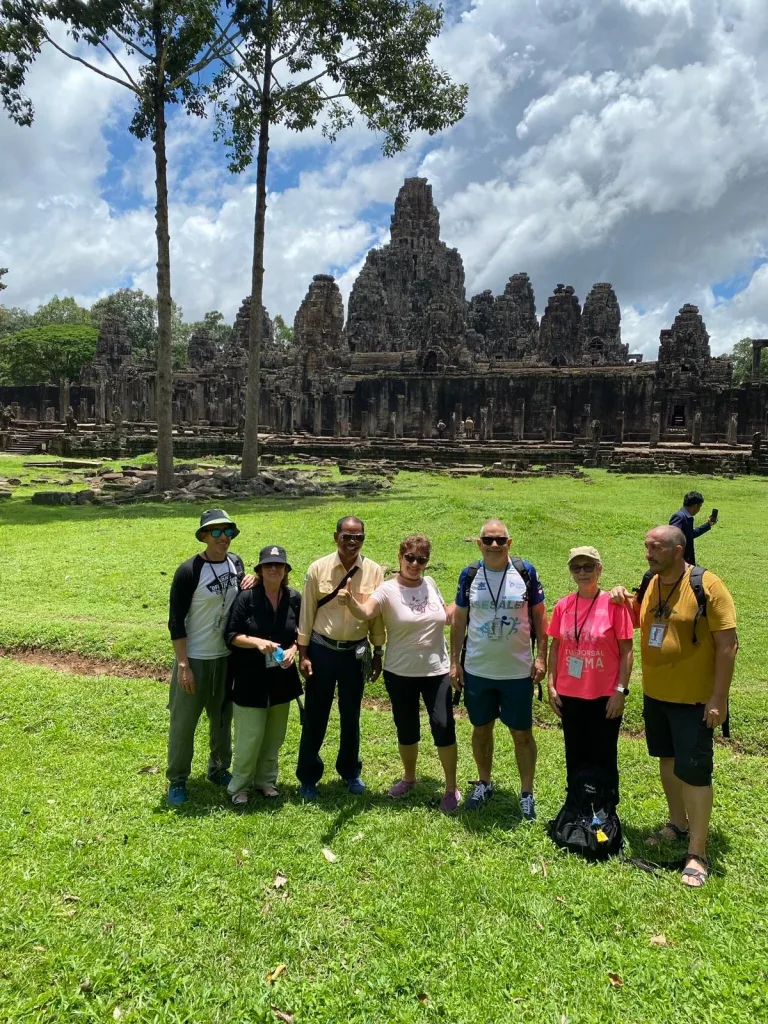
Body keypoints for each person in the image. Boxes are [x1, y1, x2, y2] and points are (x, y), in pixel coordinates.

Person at [610, 526, 738, 887]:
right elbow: (639, 619)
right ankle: (677, 824)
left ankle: (697, 853)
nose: (649, 553)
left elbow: (728, 645)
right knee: (667, 761)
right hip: (657, 696)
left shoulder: (708, 586)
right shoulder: (651, 582)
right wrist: (623, 597)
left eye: (657, 547)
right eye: (647, 546)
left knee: (695, 771)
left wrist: (719, 697)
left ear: (678, 549)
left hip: (694, 699)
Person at [338, 534, 461, 813]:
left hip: (436, 670)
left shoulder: (430, 583)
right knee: (406, 729)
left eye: (421, 559)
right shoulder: (387, 589)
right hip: (400, 672)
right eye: (410, 558)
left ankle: (452, 788)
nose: (415, 564)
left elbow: (446, 614)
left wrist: (466, 599)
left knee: (443, 726)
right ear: (400, 557)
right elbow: (367, 611)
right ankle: (408, 778)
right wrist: (351, 603)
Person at [450, 518, 548, 819]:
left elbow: (541, 620)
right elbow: (459, 622)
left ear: (510, 542)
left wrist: (541, 657)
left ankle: (527, 792)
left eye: (500, 540)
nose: (495, 545)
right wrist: (455, 662)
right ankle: (484, 782)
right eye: (488, 540)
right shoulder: (469, 575)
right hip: (478, 669)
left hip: (517, 671)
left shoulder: (525, 572)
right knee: (481, 730)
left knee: (522, 734)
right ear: (479, 543)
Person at [166, 509, 255, 806]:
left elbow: (242, 602)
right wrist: (183, 665)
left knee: (221, 719)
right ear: (203, 535)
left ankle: (218, 768)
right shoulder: (189, 570)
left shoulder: (236, 564)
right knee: (184, 723)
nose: (223, 538)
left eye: (228, 531)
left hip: (225, 657)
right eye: (216, 532)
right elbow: (176, 621)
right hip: (194, 658)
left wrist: (251, 579)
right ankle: (177, 779)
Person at [296, 516, 384, 799]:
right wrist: (304, 652)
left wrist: (378, 651)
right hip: (321, 650)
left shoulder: (373, 571)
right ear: (336, 537)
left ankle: (350, 772)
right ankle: (308, 776)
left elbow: (375, 616)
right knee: (315, 714)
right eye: (346, 537)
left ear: (363, 540)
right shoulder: (318, 568)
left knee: (351, 714)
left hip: (355, 653)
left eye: (357, 537)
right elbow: (307, 612)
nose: (352, 542)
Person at [547, 546, 634, 805]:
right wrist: (551, 684)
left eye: (588, 567)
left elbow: (627, 651)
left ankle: (606, 807)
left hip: (604, 696)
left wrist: (620, 691)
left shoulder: (614, 605)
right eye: (576, 567)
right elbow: (555, 646)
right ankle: (577, 804)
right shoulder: (564, 605)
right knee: (574, 752)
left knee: (604, 754)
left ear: (599, 569)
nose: (582, 572)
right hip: (569, 694)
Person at [224, 545, 302, 806]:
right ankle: (240, 786)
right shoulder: (246, 598)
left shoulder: (293, 598)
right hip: (250, 678)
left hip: (282, 678)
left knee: (274, 736)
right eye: (268, 565)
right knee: (250, 737)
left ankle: (266, 781)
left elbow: (301, 635)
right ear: (259, 570)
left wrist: (293, 651)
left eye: (278, 565)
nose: (273, 569)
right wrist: (257, 642)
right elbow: (231, 635)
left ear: (285, 571)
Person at [669, 491, 716, 565]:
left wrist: (708, 524)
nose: (699, 509)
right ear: (695, 506)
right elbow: (673, 538)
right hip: (680, 562)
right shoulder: (680, 517)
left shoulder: (687, 517)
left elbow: (691, 534)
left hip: (687, 561)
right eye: (700, 506)